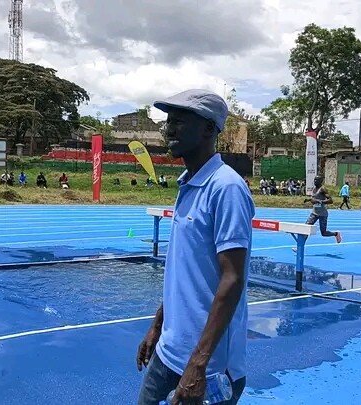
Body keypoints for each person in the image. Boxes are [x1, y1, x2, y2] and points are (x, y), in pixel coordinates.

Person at [136, 89, 253, 405]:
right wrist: (158, 325)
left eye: (180, 121)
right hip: (168, 352)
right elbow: (184, 270)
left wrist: (198, 364)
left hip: (207, 368)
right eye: (169, 121)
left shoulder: (226, 188)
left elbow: (232, 279)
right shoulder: (188, 183)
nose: (169, 129)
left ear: (208, 129)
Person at [303, 175, 342, 244]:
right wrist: (309, 200)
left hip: (323, 214)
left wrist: (320, 201)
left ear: (321, 181)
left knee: (323, 233)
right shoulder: (314, 189)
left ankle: (336, 234)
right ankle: (300, 246)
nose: (315, 181)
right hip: (314, 213)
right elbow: (314, 198)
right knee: (306, 228)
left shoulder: (323, 189)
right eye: (314, 179)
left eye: (317, 180)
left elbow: (330, 200)